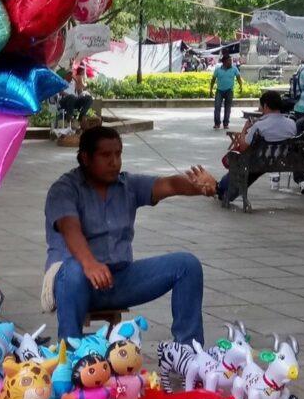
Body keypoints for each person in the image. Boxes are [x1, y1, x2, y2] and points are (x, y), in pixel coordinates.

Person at [43, 126, 216, 344]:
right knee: (74, 269)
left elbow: (168, 184)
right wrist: (90, 264)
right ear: (85, 158)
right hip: (76, 283)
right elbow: (70, 228)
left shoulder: (128, 185)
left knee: (187, 265)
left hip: (119, 280)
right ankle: (69, 351)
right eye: (106, 155)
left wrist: (198, 187)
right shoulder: (64, 189)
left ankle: (188, 351)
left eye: (118, 154)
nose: (114, 162)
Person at [217, 90, 297, 203]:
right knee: (252, 170)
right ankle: (224, 190)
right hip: (284, 161)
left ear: (265, 105)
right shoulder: (292, 124)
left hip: (260, 162)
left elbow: (243, 146)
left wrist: (245, 128)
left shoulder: (259, 126)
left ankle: (222, 189)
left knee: (243, 163)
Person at [209, 53, 243, 130]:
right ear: (224, 62)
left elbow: (238, 78)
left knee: (228, 108)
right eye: (229, 61)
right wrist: (211, 90)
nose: (231, 62)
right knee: (217, 107)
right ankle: (217, 123)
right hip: (219, 91)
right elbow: (213, 80)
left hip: (229, 91)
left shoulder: (234, 69)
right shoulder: (218, 70)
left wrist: (241, 86)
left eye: (231, 61)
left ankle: (226, 123)